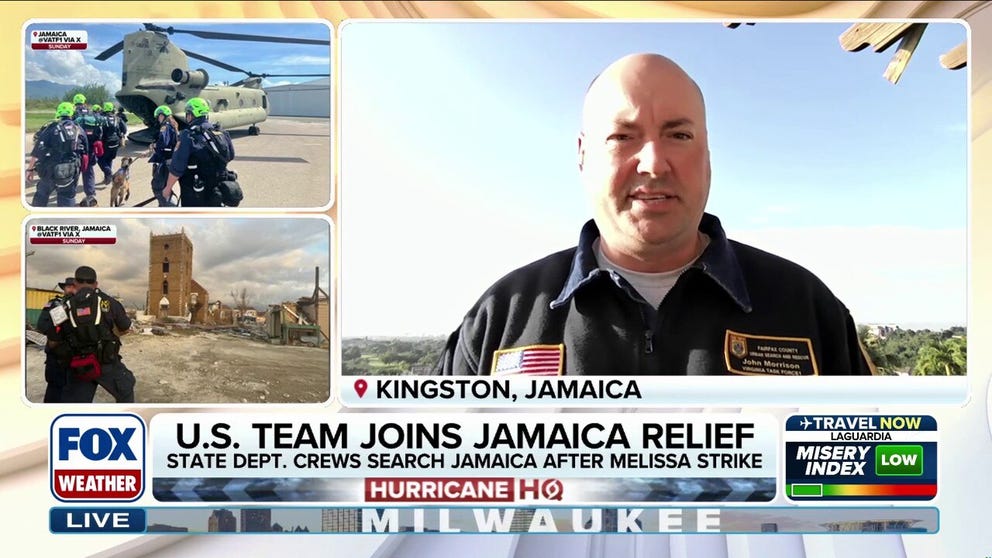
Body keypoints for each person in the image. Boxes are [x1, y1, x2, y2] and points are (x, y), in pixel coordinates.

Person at [434, 53, 874, 377]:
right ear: (583, 155)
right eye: (622, 136)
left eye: (679, 134)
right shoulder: (499, 319)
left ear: (708, 154)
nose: (654, 163)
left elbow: (880, 488)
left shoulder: (806, 309)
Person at [43, 265, 136, 403]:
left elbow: (53, 341)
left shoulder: (62, 308)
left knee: (74, 407)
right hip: (107, 363)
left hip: (79, 366)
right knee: (125, 391)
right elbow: (126, 327)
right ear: (96, 283)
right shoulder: (109, 302)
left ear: (75, 283)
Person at [163, 97, 240, 207]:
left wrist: (167, 188)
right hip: (219, 190)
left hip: (196, 193)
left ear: (190, 115)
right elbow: (231, 155)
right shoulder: (220, 131)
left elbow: (177, 168)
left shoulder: (188, 135)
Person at [26, 102, 88, 207]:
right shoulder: (79, 129)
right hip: (71, 171)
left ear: (58, 113)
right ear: (71, 113)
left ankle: (36, 217)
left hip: (49, 171)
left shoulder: (51, 128)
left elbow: (37, 151)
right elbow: (85, 152)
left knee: (41, 195)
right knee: (67, 197)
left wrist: (30, 169)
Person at [35, 277, 78, 402]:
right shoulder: (54, 304)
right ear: (64, 289)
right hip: (56, 355)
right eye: (69, 287)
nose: (72, 289)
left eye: (74, 287)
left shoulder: (82, 305)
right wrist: (57, 329)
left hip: (75, 356)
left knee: (74, 392)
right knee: (54, 391)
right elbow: (41, 325)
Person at [148, 105, 179, 206]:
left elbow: (163, 143)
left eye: (158, 116)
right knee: (164, 186)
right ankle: (164, 205)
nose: (158, 118)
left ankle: (169, 207)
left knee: (157, 186)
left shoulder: (165, 126)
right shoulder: (172, 125)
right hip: (171, 160)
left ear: (162, 115)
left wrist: (154, 145)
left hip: (165, 161)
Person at [75, 101, 104, 206]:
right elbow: (100, 133)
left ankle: (70, 195)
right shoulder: (95, 118)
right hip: (91, 150)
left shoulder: (76, 117)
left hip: (79, 150)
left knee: (75, 172)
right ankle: (90, 194)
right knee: (89, 172)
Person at [98, 101, 128, 185]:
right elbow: (124, 130)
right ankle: (107, 178)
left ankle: (109, 173)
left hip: (105, 143)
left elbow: (98, 131)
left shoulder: (101, 119)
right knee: (109, 159)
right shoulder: (118, 119)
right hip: (116, 143)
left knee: (100, 159)